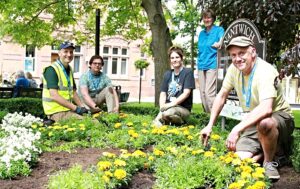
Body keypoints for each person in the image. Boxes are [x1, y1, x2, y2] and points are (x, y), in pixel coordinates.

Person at [200, 36, 295, 179]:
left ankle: (269, 163)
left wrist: (236, 129)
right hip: (253, 118)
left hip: (279, 116)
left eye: (241, 53)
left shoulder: (265, 71)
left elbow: (266, 109)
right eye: (233, 55)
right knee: (239, 159)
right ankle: (275, 151)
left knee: (265, 123)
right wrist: (209, 125)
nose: (237, 58)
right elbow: (221, 96)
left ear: (253, 52)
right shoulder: (234, 69)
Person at [42, 41, 88, 122]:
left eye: (71, 52)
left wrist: (82, 106)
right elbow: (54, 96)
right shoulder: (51, 70)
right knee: (94, 124)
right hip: (56, 112)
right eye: (65, 51)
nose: (69, 54)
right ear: (59, 53)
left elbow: (73, 92)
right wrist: (76, 108)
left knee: (91, 120)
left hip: (67, 110)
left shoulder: (69, 69)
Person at [153, 46, 195, 126]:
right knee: (156, 123)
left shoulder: (188, 72)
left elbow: (186, 93)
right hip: (167, 107)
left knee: (167, 114)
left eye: (177, 57)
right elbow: (163, 93)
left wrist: (170, 105)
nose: (174, 60)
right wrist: (162, 106)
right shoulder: (167, 74)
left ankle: (182, 123)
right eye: (172, 58)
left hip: (182, 108)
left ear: (182, 58)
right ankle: (165, 124)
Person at [197, 9, 224, 113]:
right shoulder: (201, 34)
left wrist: (219, 43)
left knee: (209, 93)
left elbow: (222, 40)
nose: (206, 19)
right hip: (201, 65)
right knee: (202, 93)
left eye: (209, 17)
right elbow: (200, 50)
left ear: (213, 19)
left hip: (212, 64)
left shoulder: (219, 30)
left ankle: (214, 118)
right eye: (205, 17)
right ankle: (207, 116)